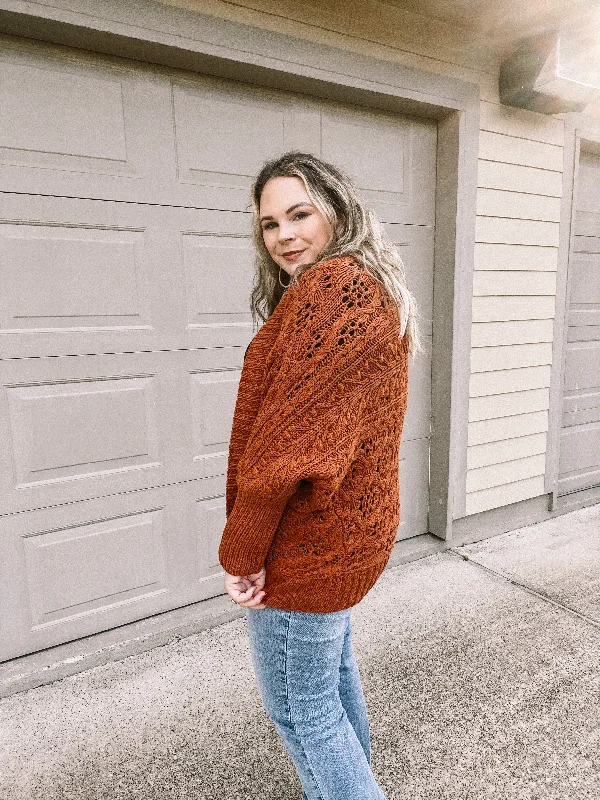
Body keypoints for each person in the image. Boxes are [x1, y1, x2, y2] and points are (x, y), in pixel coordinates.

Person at [218, 151, 420, 799]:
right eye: (270, 224)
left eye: (300, 214)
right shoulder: (371, 286)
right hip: (346, 538)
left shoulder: (333, 290)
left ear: (336, 210)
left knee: (302, 711)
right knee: (328, 689)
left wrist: (241, 552)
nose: (285, 236)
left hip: (304, 545)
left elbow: (286, 452)